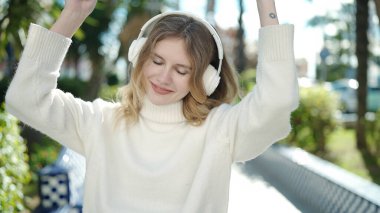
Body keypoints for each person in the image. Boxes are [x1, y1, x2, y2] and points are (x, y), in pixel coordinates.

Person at [5, 0, 299, 212]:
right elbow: (26, 99)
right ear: (138, 56)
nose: (163, 77)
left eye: (182, 70)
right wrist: (74, 12)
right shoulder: (101, 121)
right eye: (156, 61)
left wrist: (266, 6)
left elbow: (277, 101)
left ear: (206, 79)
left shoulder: (221, 130)